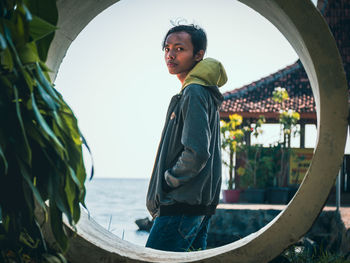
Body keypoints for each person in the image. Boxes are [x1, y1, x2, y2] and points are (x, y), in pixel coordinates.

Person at [145, 24, 227, 252]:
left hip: (181, 205)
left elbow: (198, 151)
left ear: (198, 55)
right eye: (167, 48)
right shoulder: (199, 92)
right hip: (195, 205)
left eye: (179, 49)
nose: (170, 55)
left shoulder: (194, 92)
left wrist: (169, 181)